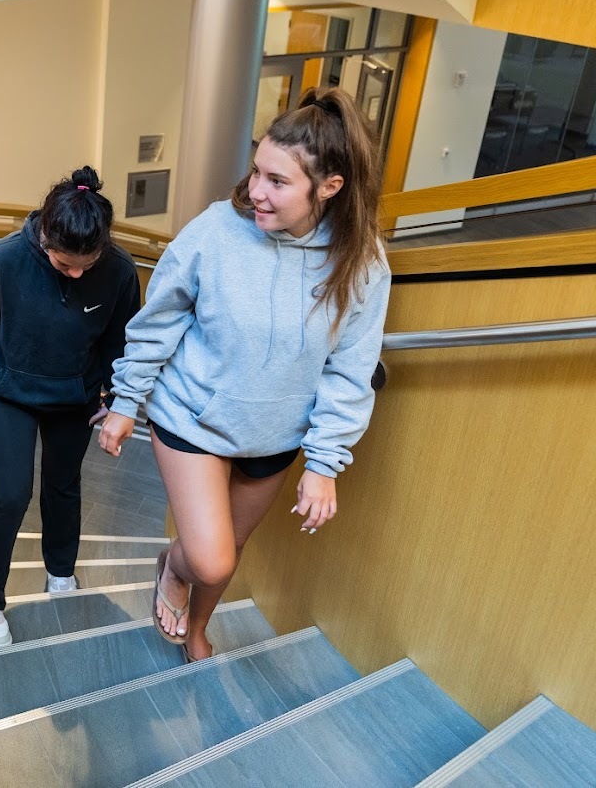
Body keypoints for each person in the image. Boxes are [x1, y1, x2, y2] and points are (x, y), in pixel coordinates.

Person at [98, 87, 390, 663]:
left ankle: (200, 628)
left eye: (278, 182)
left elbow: (348, 372)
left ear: (329, 187)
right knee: (211, 557)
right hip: (193, 417)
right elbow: (159, 320)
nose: (256, 191)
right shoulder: (218, 230)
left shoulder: (362, 263)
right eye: (258, 171)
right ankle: (174, 569)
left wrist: (324, 464)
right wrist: (127, 401)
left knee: (231, 546)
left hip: (275, 433)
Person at [0, 166, 142, 650]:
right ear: (44, 238)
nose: (77, 275)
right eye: (65, 267)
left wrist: (117, 399)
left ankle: (61, 572)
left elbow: (120, 340)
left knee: (63, 484)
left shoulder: (118, 270)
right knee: (11, 494)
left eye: (87, 265)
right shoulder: (4, 259)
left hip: (74, 396)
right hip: (3, 391)